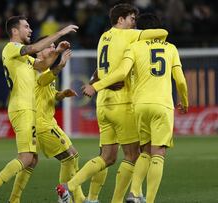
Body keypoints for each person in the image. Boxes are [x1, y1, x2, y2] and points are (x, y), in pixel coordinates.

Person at [57, 4, 168, 203]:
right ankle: (117, 200)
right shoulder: (129, 36)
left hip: (103, 104)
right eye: (132, 18)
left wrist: (94, 84)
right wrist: (143, 30)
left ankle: (69, 187)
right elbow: (161, 32)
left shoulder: (103, 38)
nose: (134, 23)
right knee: (134, 155)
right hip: (121, 102)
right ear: (120, 20)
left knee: (107, 157)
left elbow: (100, 70)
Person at [83, 13, 189, 203]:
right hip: (161, 104)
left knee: (144, 151)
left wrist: (95, 85)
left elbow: (121, 72)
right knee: (158, 153)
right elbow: (180, 80)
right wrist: (185, 101)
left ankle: (133, 192)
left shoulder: (132, 46)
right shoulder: (170, 48)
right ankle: (144, 199)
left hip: (138, 106)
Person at [0, 16, 78, 203]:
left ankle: (14, 199)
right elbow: (34, 49)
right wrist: (61, 32)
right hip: (21, 107)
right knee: (25, 157)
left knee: (32, 159)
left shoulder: (23, 58)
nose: (30, 30)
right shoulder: (12, 48)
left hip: (28, 109)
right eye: (26, 26)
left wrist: (57, 52)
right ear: (15, 31)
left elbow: (41, 65)